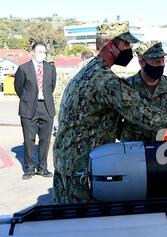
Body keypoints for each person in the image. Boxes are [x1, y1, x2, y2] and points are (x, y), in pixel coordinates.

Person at [53, 21, 161, 204]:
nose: (130, 49)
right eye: (126, 44)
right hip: (84, 171)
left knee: (65, 224)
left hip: (66, 164)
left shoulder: (87, 69)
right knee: (87, 226)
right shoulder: (103, 79)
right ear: (110, 46)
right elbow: (146, 115)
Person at [120, 41, 167, 142]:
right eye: (156, 62)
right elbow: (116, 121)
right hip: (135, 150)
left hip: (166, 149)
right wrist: (127, 137)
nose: (161, 65)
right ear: (142, 62)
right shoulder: (127, 86)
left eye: (162, 61)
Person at [14, 41, 57, 180]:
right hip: (28, 108)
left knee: (45, 140)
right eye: (40, 52)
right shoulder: (23, 68)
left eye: (44, 52)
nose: (43, 55)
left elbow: (51, 87)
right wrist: (28, 99)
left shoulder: (50, 69)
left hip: (46, 107)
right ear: (32, 52)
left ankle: (43, 168)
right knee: (29, 139)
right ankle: (29, 168)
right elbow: (19, 88)